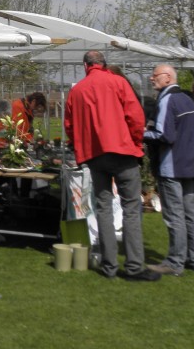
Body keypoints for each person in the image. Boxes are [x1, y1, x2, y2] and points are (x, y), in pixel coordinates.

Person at [64, 50, 159, 281]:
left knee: (103, 208)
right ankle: (134, 267)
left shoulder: (77, 91)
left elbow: (70, 126)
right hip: (122, 151)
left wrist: (81, 146)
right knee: (131, 207)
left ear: (85, 66)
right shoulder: (118, 82)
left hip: (95, 156)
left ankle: (109, 266)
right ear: (104, 63)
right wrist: (135, 142)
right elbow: (135, 117)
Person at [144, 64, 194, 276]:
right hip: (190, 164)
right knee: (190, 213)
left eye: (155, 75)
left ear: (168, 78)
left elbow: (164, 135)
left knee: (174, 215)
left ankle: (174, 262)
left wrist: (140, 133)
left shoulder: (167, 99)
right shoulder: (187, 99)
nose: (151, 78)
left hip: (172, 166)